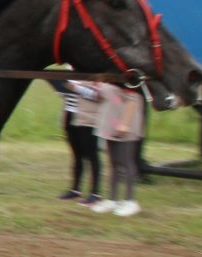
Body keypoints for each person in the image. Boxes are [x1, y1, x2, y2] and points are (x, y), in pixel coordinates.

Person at [89, 81, 145, 217]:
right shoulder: (106, 78)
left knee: (126, 162)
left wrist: (125, 123)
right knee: (113, 163)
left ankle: (130, 201)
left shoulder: (127, 80)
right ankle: (112, 199)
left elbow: (133, 99)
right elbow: (101, 98)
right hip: (109, 125)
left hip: (125, 126)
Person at [55, 78, 102, 206]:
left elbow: (98, 95)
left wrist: (76, 88)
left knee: (92, 155)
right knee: (76, 155)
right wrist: (60, 87)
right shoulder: (68, 70)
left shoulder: (92, 73)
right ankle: (75, 189)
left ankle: (95, 193)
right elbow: (65, 95)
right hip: (70, 115)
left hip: (87, 118)